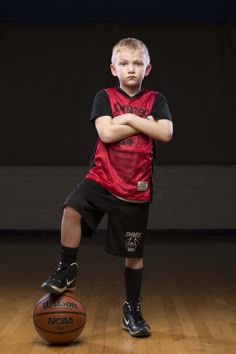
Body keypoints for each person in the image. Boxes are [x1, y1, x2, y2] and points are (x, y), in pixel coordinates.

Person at [41, 37, 173, 337]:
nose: (131, 69)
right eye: (124, 63)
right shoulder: (104, 97)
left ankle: (132, 310)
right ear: (113, 68)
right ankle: (67, 269)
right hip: (102, 179)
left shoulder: (157, 100)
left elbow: (165, 133)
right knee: (72, 208)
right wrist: (139, 120)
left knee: (134, 255)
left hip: (135, 189)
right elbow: (107, 133)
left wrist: (124, 121)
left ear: (147, 68)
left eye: (138, 63)